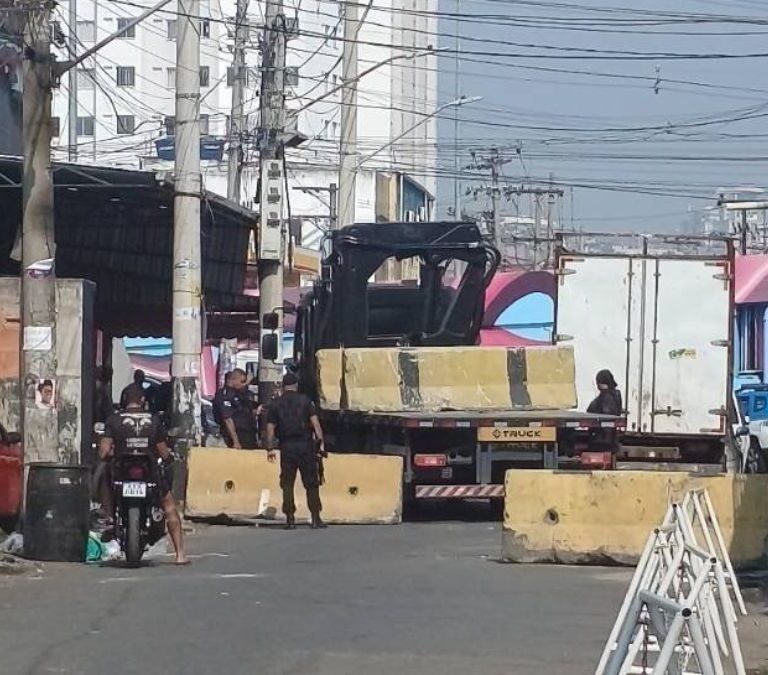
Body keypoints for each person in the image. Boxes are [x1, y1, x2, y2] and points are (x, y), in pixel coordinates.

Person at [100, 384, 188, 565]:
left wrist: (111, 453)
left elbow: (103, 452)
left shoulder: (114, 420)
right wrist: (170, 458)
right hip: (150, 472)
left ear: (125, 400)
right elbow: (163, 452)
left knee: (104, 479)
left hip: (121, 472)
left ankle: (108, 517)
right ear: (142, 400)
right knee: (169, 507)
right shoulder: (154, 420)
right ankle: (180, 555)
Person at [266, 372, 326, 530]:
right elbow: (315, 424)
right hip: (305, 446)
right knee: (311, 483)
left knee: (287, 483)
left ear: (283, 385)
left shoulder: (276, 404)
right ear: (296, 385)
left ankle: (290, 519)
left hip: (287, 447)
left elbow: (270, 429)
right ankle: (315, 518)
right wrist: (320, 445)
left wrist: (270, 448)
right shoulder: (306, 401)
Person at [213, 368, 259, 449]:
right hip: (237, 435)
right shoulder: (225, 394)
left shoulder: (241, 393)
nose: (245, 384)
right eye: (243, 382)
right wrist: (236, 441)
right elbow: (228, 419)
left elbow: (246, 411)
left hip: (249, 434)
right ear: (234, 379)